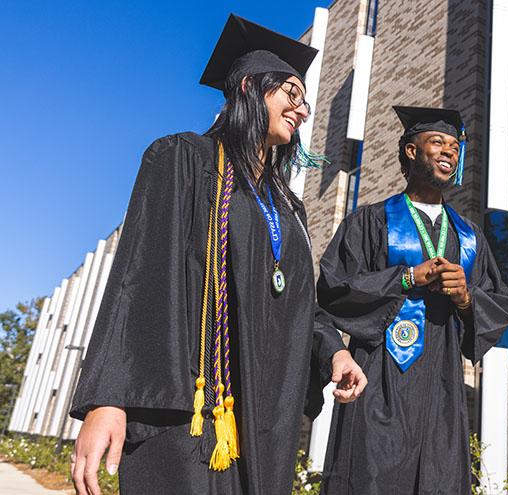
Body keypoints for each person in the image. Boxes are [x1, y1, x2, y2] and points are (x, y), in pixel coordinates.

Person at [68, 14, 367, 495]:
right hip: (188, 415)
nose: (303, 109)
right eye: (292, 93)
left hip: (264, 425)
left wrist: (334, 352)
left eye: (305, 100)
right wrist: (108, 399)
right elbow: (140, 275)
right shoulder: (185, 159)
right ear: (250, 86)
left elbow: (298, 306)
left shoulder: (288, 208)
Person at [317, 106, 508, 494]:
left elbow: (499, 303)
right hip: (378, 376)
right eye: (437, 142)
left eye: (455, 148)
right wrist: (406, 277)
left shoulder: (469, 236)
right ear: (411, 151)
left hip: (440, 386)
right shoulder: (370, 221)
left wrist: (465, 297)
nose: (449, 153)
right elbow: (333, 290)